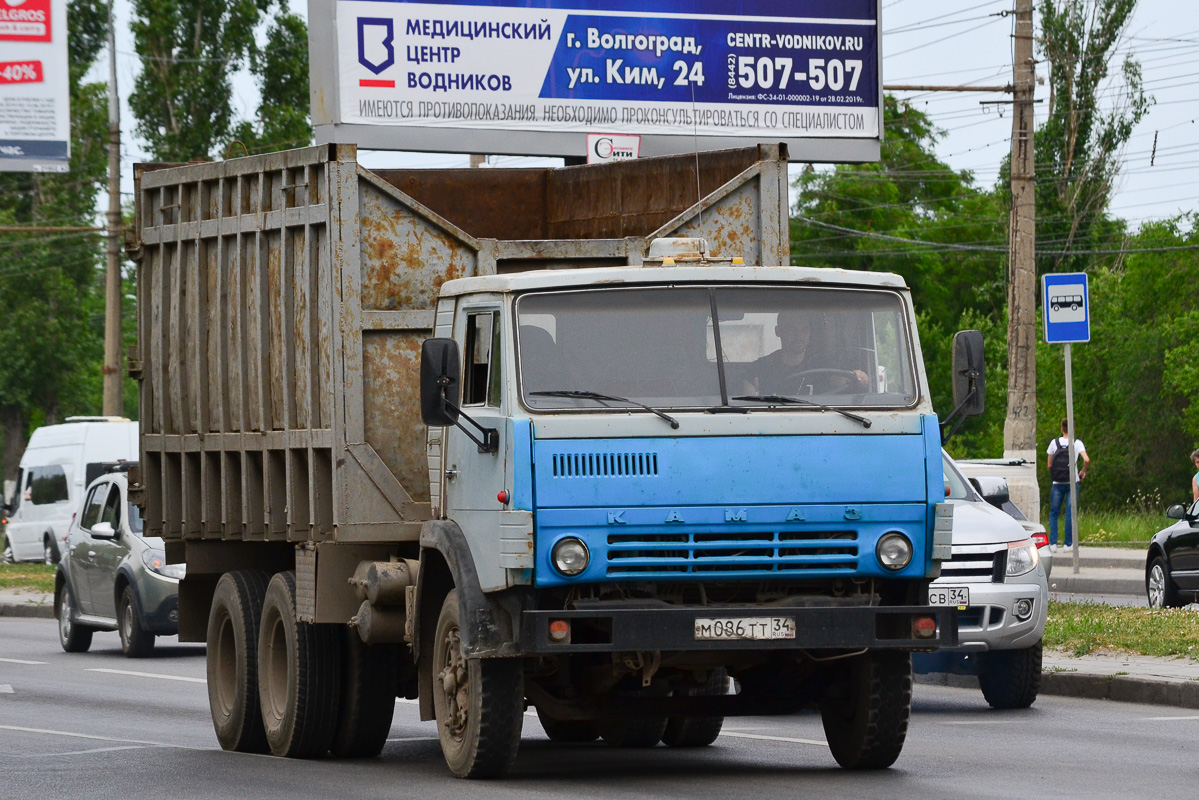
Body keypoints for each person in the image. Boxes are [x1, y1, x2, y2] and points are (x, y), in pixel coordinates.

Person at [741, 309, 868, 396]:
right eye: (792, 329)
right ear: (778, 331)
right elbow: (747, 401)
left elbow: (840, 380)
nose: (799, 335)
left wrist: (858, 378)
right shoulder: (761, 368)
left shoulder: (822, 366)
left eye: (804, 329)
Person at [1046, 418, 1090, 551]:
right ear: (1073, 429)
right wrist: (1083, 471)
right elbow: (1087, 459)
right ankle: (1068, 544)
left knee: (1054, 513)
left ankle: (1053, 544)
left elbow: (1049, 465)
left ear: (1061, 429)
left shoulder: (1054, 443)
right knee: (1070, 513)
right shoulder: (1077, 443)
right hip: (1072, 482)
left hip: (1057, 483)